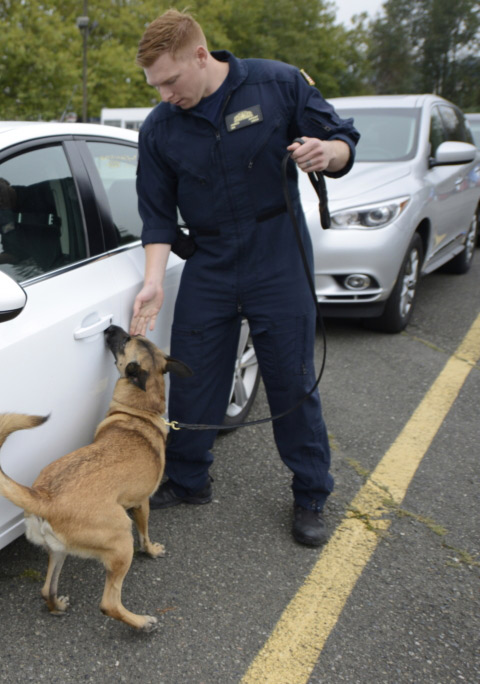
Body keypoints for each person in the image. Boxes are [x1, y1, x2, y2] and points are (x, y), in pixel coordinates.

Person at [129, 9, 360, 546]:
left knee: (289, 379)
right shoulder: (160, 128)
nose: (164, 94)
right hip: (209, 259)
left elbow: (343, 140)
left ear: (200, 56)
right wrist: (154, 280)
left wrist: (328, 153)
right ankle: (188, 480)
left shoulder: (277, 83)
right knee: (193, 376)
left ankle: (310, 494)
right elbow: (157, 216)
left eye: (170, 80)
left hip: (276, 252)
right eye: (154, 85)